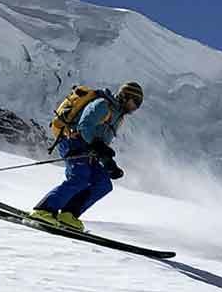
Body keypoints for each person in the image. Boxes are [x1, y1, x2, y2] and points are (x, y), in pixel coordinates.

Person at [30, 81, 144, 232]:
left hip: (88, 149)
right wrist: (97, 146)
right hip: (72, 141)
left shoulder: (118, 116)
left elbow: (101, 143)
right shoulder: (103, 105)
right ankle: (43, 210)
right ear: (125, 96)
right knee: (79, 178)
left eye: (138, 104)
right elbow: (84, 126)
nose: (135, 107)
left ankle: (68, 214)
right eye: (135, 102)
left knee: (103, 183)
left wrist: (108, 163)